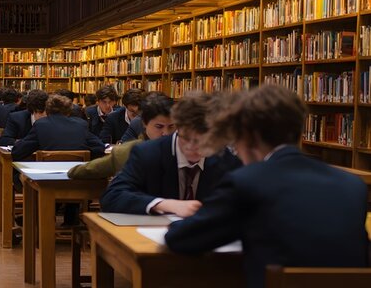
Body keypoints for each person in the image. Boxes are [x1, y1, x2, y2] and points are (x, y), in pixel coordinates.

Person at [164, 85, 369, 288]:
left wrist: (176, 224)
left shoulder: (246, 181)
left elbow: (182, 239)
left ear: (249, 137)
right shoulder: (352, 185)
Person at [99, 91, 243, 217]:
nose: (193, 147)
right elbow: (112, 197)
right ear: (178, 126)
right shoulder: (147, 153)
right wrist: (163, 204)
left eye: (203, 141)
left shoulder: (226, 159)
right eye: (186, 137)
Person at [69, 92, 175, 179]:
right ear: (144, 123)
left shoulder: (187, 151)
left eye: (172, 126)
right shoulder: (126, 153)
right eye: (159, 126)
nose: (166, 133)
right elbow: (80, 172)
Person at [12, 94, 106, 161]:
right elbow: (100, 147)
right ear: (69, 111)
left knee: (21, 177)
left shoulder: (41, 124)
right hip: (77, 176)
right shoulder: (81, 124)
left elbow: (18, 152)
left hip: (47, 178)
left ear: (47, 110)